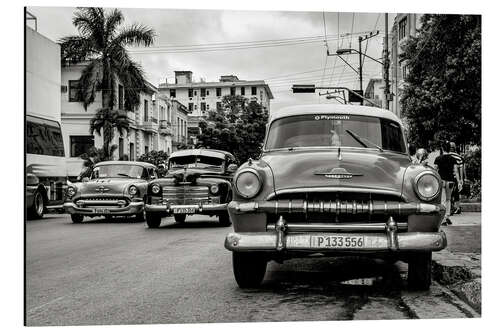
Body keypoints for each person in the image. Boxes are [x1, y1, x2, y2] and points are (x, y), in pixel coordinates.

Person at [434, 141, 461, 225]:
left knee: (442, 200)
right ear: (450, 149)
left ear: (442, 148)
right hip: (451, 181)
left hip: (441, 181)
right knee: (448, 199)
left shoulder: (438, 158)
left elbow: (435, 170)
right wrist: (459, 182)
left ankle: (443, 218)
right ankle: (447, 216)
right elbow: (456, 171)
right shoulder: (453, 159)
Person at [448, 142, 464, 215]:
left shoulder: (446, 156)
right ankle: (457, 207)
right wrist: (461, 180)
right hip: (455, 177)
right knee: (456, 193)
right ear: (454, 148)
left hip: (447, 177)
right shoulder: (459, 157)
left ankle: (451, 207)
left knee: (449, 193)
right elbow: (461, 169)